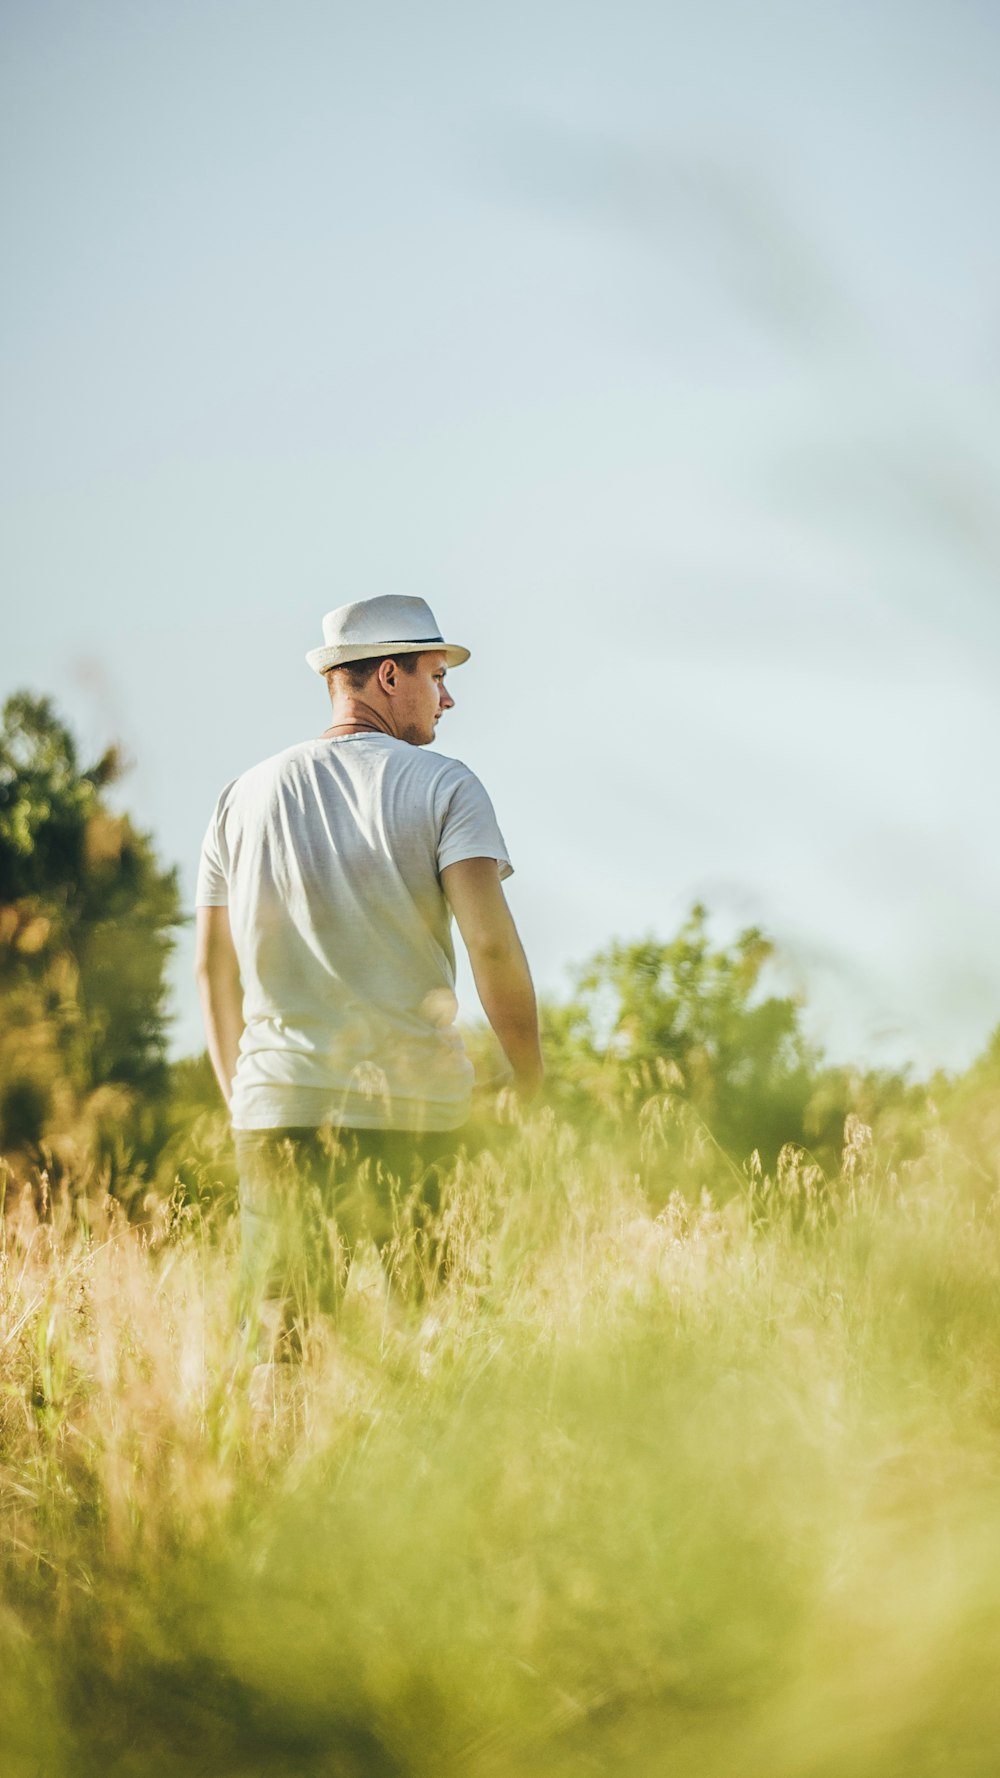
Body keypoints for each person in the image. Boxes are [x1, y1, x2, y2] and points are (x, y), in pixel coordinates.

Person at [194, 594, 542, 1360]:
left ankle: (272, 1479)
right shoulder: (446, 786)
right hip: (414, 1115)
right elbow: (493, 949)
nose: (447, 695)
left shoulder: (241, 795)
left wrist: (245, 1100)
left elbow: (212, 970)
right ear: (389, 674)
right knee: (429, 1346)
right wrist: (531, 1082)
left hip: (278, 1108)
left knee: (279, 1352)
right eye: (436, 674)